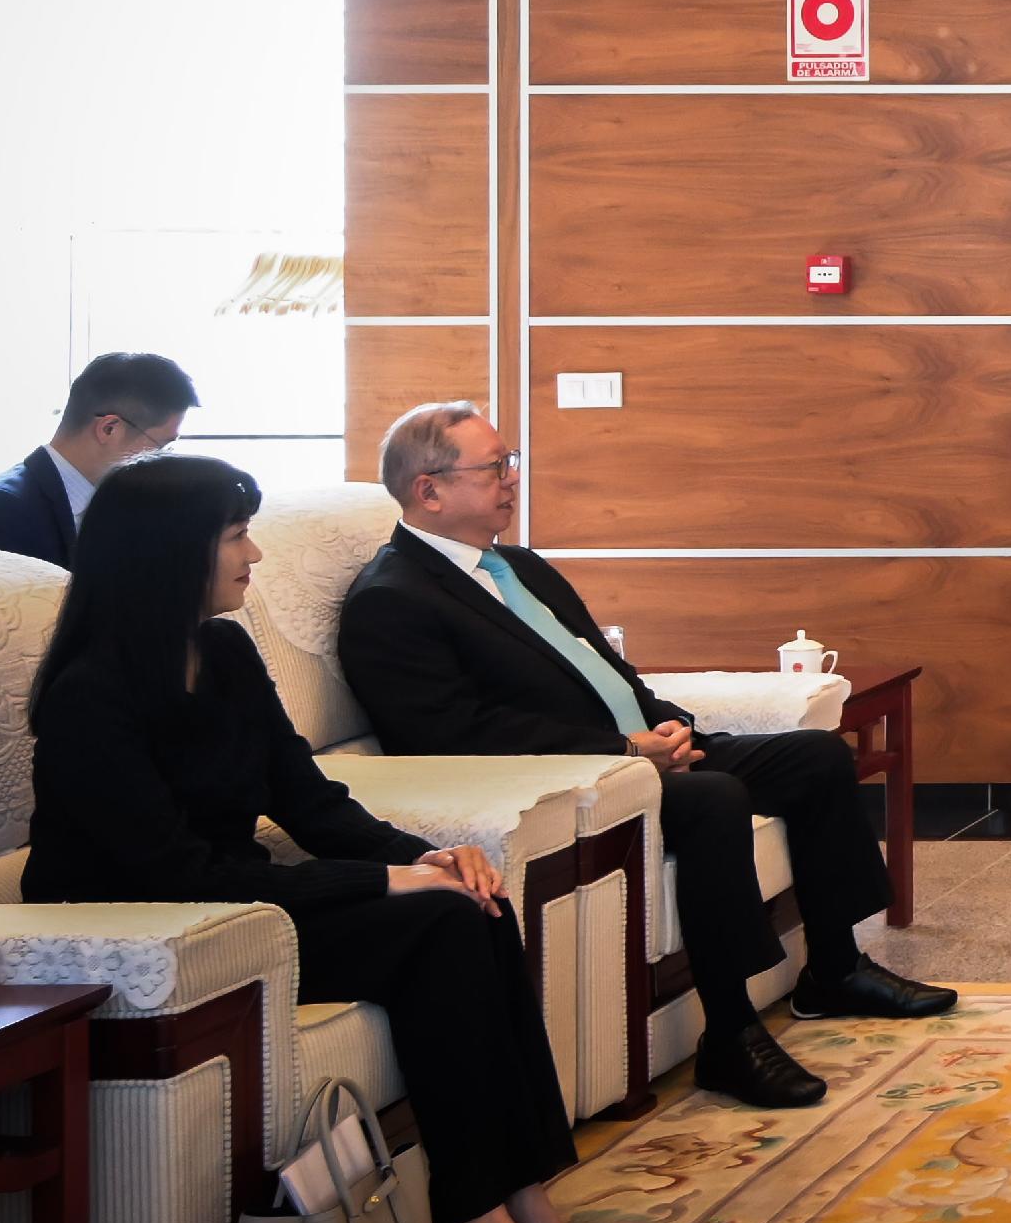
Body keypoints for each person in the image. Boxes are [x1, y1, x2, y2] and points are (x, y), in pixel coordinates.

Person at [25, 456, 609, 1223]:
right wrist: (378, 888)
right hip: (161, 922)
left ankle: (523, 1185)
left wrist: (421, 857)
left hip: (242, 902)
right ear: (167, 551)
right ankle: (471, 1211)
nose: (253, 555)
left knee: (474, 903)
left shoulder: (223, 648)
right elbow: (175, 870)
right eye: (234, 536)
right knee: (440, 924)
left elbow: (310, 798)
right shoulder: (91, 694)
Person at [334, 402, 950, 1111]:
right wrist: (623, 751)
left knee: (817, 756)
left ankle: (835, 969)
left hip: (642, 749)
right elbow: (449, 732)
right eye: (494, 467)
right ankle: (731, 1032)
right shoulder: (392, 599)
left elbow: (608, 668)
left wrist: (667, 724)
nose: (511, 479)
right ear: (429, 490)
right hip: (584, 776)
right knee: (712, 797)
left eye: (511, 463)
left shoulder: (521, 568)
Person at [0, 351, 196, 566]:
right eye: (161, 446)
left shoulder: (119, 504)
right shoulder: (3, 511)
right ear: (109, 429)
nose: (163, 459)